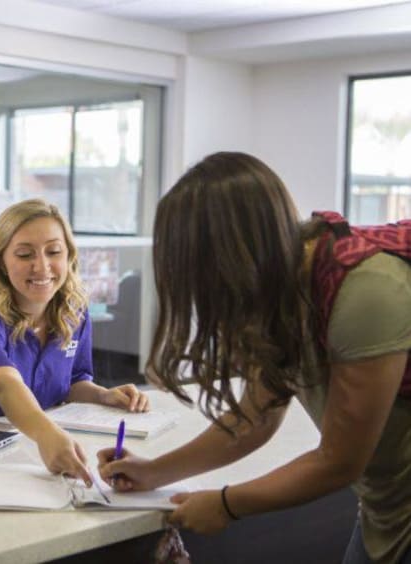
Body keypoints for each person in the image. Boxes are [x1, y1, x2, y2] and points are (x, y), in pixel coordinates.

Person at [97, 152, 411, 564]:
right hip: (384, 507)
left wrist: (228, 504)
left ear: (231, 257)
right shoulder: (281, 287)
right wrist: (155, 472)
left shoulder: (366, 292)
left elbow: (340, 461)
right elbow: (255, 417)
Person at [0, 198, 149, 484]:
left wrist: (102, 395)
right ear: (1, 263)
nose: (42, 266)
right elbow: (4, 385)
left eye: (54, 251)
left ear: (68, 256)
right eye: (24, 255)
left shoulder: (75, 314)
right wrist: (46, 433)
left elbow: (71, 383)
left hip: (40, 451)